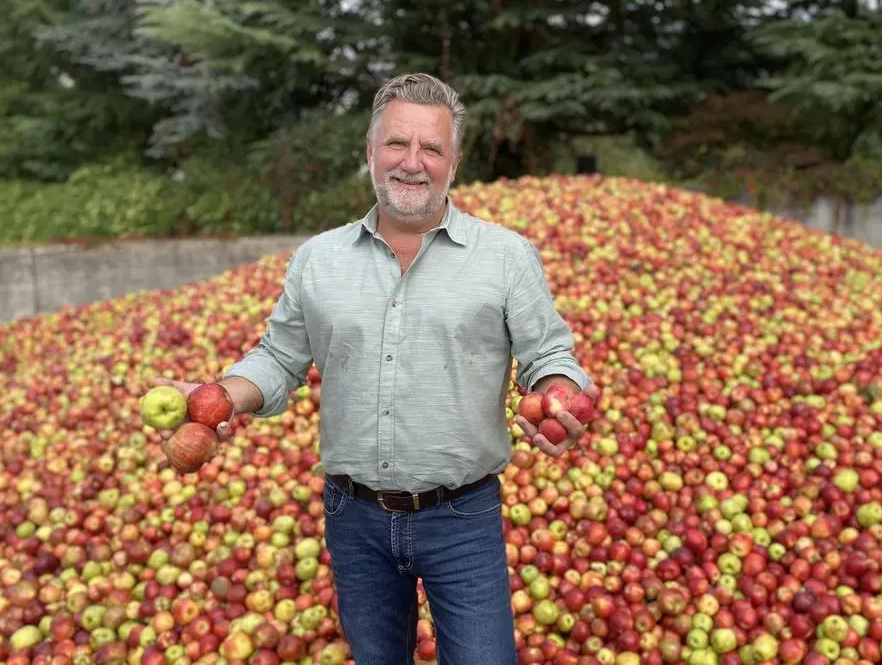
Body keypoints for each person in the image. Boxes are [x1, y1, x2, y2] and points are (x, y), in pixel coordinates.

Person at [152, 72, 598, 665]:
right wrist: (220, 398)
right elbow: (279, 357)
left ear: (454, 162)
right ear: (369, 153)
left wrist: (559, 395)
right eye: (396, 144)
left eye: (431, 148)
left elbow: (548, 356)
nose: (412, 162)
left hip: (463, 516)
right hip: (353, 517)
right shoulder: (319, 260)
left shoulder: (506, 257)